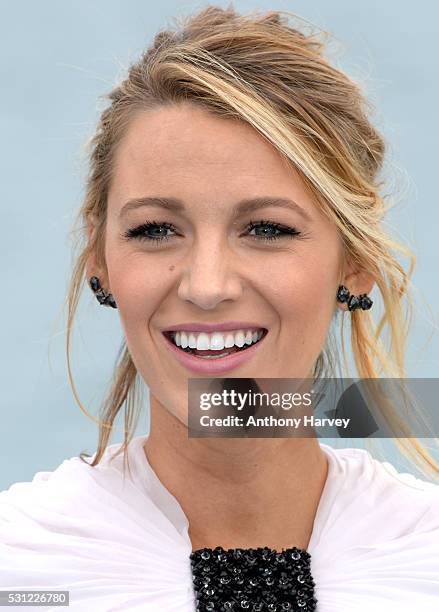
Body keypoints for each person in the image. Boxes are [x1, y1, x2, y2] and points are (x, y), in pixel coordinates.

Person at [1, 5, 438, 611]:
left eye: (266, 228)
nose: (206, 286)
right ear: (99, 257)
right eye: (156, 230)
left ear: (354, 259)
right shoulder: (19, 565)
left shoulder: (424, 559)